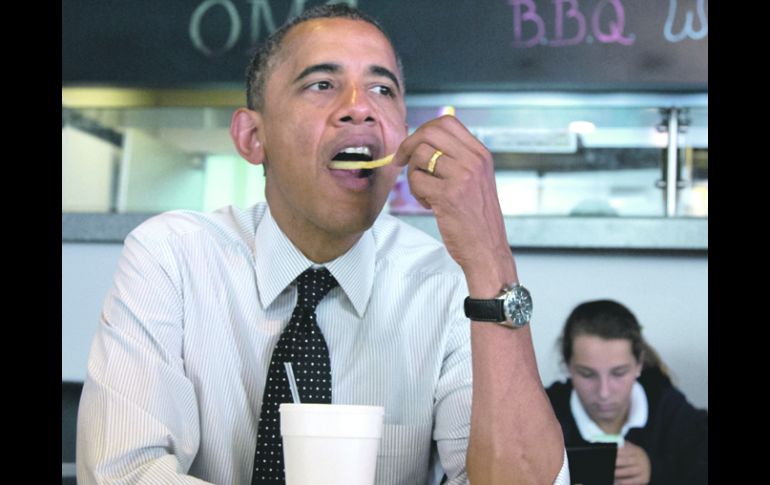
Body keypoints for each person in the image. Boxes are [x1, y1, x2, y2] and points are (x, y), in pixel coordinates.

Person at [77, 4, 568, 484]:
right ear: (252, 137)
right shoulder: (173, 257)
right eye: (322, 84)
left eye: (382, 89)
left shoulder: (447, 285)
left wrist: (490, 257)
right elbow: (122, 472)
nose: (360, 108)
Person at [545, 300, 708, 485]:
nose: (604, 392)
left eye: (619, 373)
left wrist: (655, 472)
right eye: (587, 374)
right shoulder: (544, 414)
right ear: (568, 366)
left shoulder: (669, 410)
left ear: (639, 364)